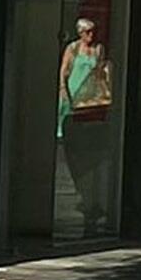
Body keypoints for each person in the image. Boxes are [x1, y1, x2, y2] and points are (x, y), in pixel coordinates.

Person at [57, 16, 111, 195]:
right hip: (73, 91)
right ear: (80, 33)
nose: (91, 35)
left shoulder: (98, 49)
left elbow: (100, 72)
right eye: (87, 32)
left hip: (89, 95)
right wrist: (63, 90)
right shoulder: (73, 48)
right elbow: (64, 71)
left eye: (93, 31)